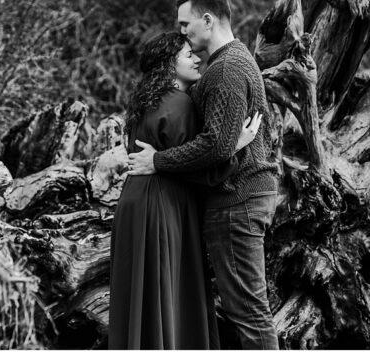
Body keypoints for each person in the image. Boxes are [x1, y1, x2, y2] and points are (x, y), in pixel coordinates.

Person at [127, 0, 281, 349]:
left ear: (208, 20)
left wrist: (158, 160)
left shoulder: (227, 69)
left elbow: (215, 145)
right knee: (244, 308)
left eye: (186, 24)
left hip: (237, 202)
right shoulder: (230, 62)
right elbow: (220, 141)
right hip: (239, 199)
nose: (181, 32)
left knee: (248, 310)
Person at [109, 32, 261, 349]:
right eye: (187, 54)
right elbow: (203, 166)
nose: (196, 59)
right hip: (164, 205)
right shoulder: (181, 104)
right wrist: (237, 144)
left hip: (133, 202)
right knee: (169, 291)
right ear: (168, 64)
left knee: (141, 292)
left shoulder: (144, 102)